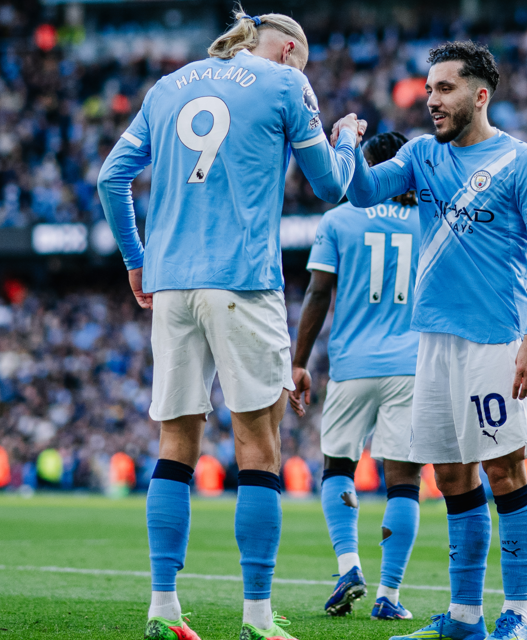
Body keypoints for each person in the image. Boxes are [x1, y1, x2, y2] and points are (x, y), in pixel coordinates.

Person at [97, 9, 364, 640]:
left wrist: (138, 263)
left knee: (175, 447)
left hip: (172, 284)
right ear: (288, 50)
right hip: (243, 281)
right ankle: (258, 618)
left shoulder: (168, 87)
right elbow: (331, 186)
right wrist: (345, 134)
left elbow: (112, 177)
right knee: (258, 447)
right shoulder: (285, 83)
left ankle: (163, 609)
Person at [339, 41, 527, 640]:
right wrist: (346, 144)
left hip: (497, 340)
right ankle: (465, 618)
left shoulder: (524, 162)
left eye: (444, 89)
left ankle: (517, 617)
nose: (430, 99)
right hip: (433, 341)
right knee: (453, 476)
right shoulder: (420, 155)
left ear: (479, 95)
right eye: (428, 88)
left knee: (505, 470)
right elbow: (361, 192)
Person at [290, 132, 424, 622]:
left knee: (338, 468)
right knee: (404, 482)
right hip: (411, 367)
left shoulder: (339, 219)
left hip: (352, 366)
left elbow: (318, 294)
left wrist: (299, 361)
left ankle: (349, 565)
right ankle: (389, 595)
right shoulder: (427, 220)